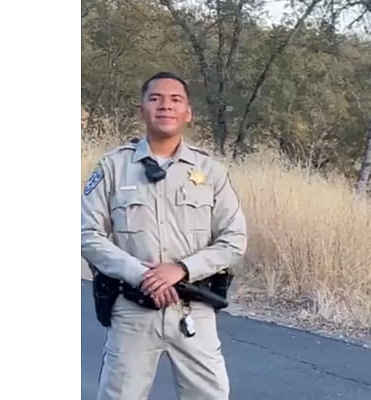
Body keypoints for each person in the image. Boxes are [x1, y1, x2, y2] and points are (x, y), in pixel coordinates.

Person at [81, 71, 247, 400]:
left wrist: (182, 269)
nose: (165, 106)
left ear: (188, 113)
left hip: (192, 310)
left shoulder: (210, 171)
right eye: (155, 98)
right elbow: (86, 233)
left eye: (175, 100)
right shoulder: (113, 167)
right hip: (132, 310)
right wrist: (142, 275)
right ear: (142, 109)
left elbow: (234, 238)